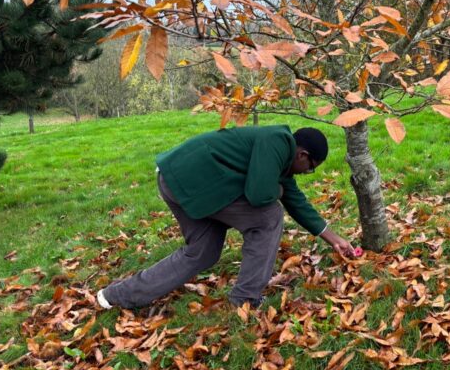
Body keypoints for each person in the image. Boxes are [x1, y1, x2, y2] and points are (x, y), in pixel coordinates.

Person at [96, 125, 356, 310]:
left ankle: (116, 296)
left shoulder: (280, 159)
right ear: (302, 155)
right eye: (310, 169)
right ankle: (245, 298)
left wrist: (334, 239)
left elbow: (297, 203)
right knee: (269, 216)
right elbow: (259, 194)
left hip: (175, 179)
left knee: (202, 252)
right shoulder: (278, 140)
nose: (305, 173)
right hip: (194, 182)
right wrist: (277, 189)